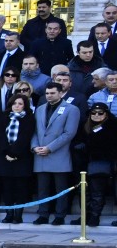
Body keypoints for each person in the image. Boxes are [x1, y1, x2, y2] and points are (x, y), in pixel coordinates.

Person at [31, 83, 81, 225]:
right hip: (40, 153)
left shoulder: (71, 109)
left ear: (60, 93)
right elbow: (35, 131)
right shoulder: (40, 109)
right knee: (42, 188)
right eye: (47, 93)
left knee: (61, 187)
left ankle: (60, 214)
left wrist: (50, 148)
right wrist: (34, 147)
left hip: (59, 153)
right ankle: (43, 214)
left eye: (52, 93)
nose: (49, 96)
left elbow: (69, 133)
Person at [0, 94, 36, 223]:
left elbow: (25, 137)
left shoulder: (29, 118)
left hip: (22, 158)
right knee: (7, 188)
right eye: (14, 104)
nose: (17, 106)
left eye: (20, 104)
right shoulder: (3, 117)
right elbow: (0, 136)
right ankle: (9, 214)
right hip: (5, 158)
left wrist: (14, 153)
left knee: (21, 188)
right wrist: (6, 152)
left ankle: (18, 214)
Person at [77, 103, 117, 227]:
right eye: (93, 113)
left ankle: (95, 216)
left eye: (100, 113)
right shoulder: (85, 125)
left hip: (102, 163)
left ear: (106, 114)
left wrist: (89, 146)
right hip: (84, 163)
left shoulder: (112, 126)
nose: (96, 115)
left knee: (97, 191)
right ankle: (85, 216)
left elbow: (110, 146)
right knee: (84, 191)